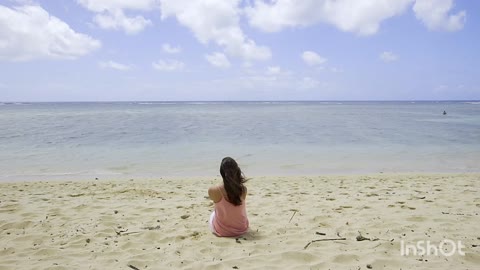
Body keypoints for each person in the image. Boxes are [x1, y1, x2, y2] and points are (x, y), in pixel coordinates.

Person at [208, 157, 249, 237]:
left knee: (213, 213)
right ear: (237, 171)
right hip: (242, 229)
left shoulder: (213, 190)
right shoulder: (243, 189)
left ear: (221, 172)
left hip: (222, 231)